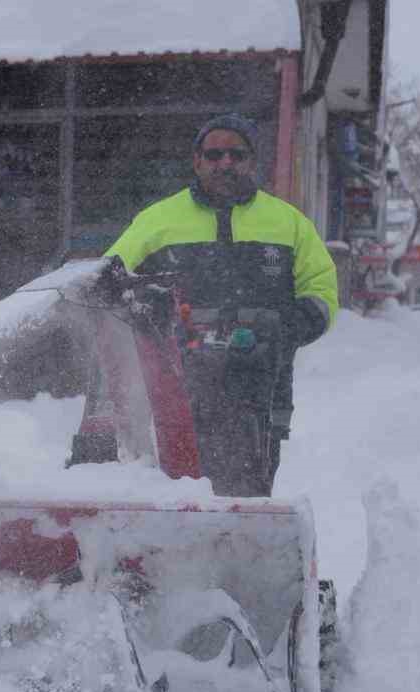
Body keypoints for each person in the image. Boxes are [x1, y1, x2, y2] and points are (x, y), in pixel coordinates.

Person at [105, 113, 337, 497]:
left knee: (248, 498)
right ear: (197, 162)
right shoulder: (157, 222)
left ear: (252, 162)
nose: (225, 163)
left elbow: (322, 291)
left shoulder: (289, 224)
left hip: (261, 394)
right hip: (176, 394)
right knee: (175, 501)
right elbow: (110, 281)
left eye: (236, 154)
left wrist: (284, 329)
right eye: (214, 155)